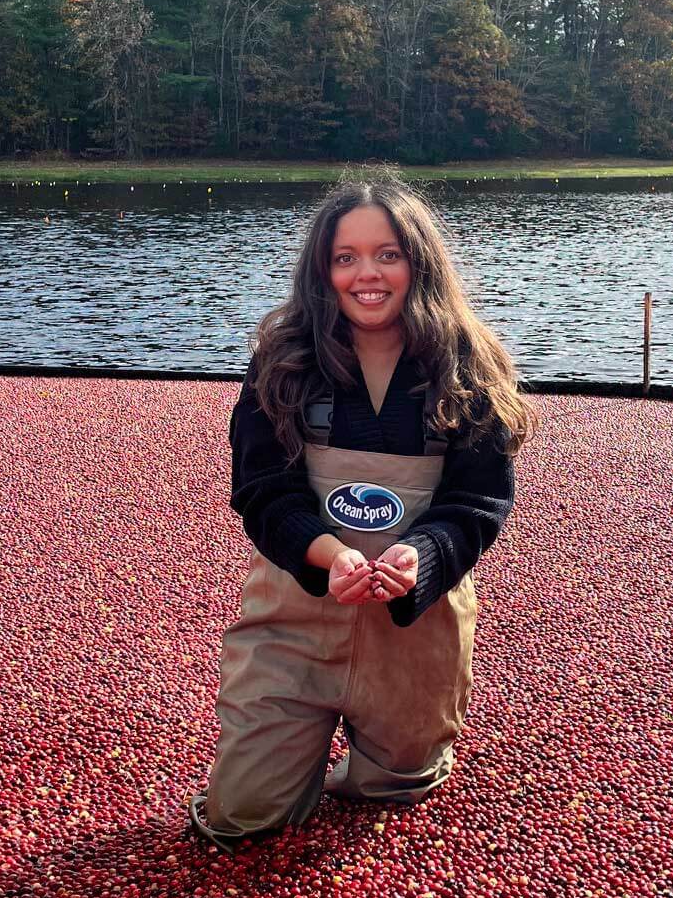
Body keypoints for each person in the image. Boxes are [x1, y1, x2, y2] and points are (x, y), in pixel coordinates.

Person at [188, 166, 535, 850]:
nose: (365, 274)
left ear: (418, 262)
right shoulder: (283, 361)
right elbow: (262, 492)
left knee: (396, 786)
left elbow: (479, 501)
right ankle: (286, 751)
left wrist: (420, 556)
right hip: (297, 618)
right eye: (345, 258)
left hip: (414, 628)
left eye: (387, 255)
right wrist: (330, 554)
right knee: (244, 817)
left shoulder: (469, 365)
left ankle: (378, 759)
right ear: (323, 270)